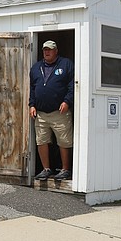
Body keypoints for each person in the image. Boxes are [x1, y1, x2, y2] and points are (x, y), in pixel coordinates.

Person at [29, 40, 74, 181]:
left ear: (56, 51)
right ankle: (46, 169)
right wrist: (32, 104)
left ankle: (65, 170)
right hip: (41, 113)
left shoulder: (66, 64)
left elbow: (72, 85)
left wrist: (67, 101)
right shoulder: (36, 68)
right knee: (41, 140)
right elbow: (32, 88)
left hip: (59, 113)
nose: (46, 52)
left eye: (49, 49)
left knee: (64, 141)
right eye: (44, 50)